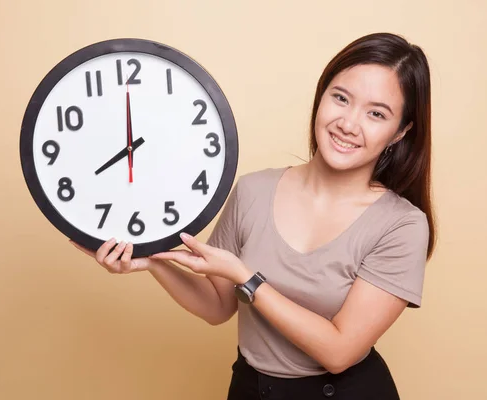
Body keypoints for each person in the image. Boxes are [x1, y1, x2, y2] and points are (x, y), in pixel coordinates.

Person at [71, 32, 436, 400]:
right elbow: (217, 307)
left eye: (376, 114)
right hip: (251, 389)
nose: (348, 124)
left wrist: (246, 278)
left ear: (400, 132)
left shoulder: (401, 225)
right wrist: (151, 262)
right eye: (341, 98)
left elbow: (339, 352)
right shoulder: (252, 191)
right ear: (321, 96)